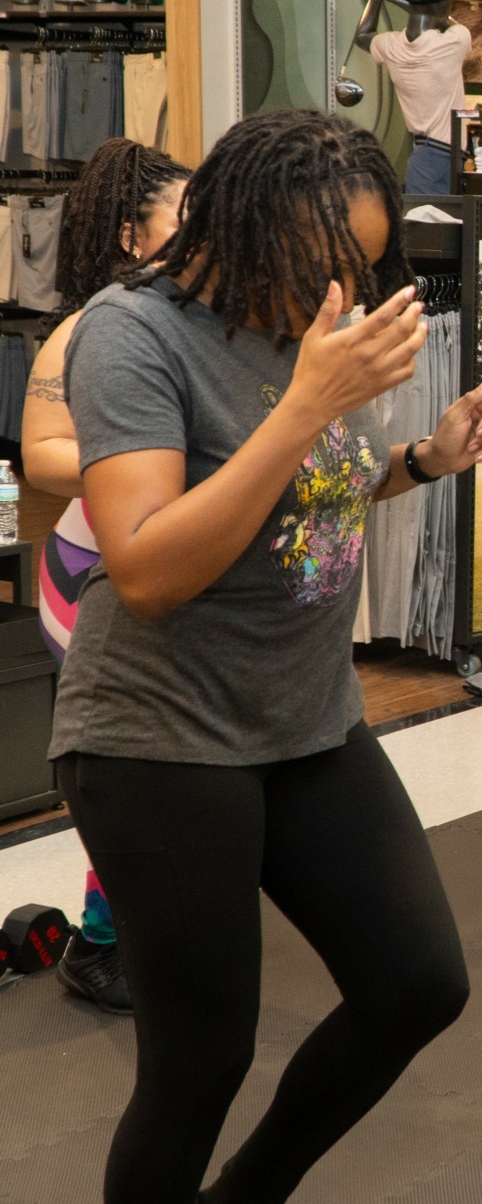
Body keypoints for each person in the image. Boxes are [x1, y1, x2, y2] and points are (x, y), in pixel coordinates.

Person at [53, 109, 482, 1201]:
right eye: (321, 260)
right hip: (160, 736)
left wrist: (421, 457)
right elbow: (148, 569)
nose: (339, 286)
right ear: (241, 226)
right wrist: (308, 404)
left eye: (359, 261)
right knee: (200, 1062)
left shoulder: (307, 326)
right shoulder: (133, 333)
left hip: (306, 719)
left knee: (417, 983)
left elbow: (314, 492)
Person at [20, 137, 190, 1017]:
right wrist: (140, 455)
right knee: (130, 771)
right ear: (132, 234)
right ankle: (99, 945)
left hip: (149, 568)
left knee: (165, 767)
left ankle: (140, 926)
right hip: (89, 573)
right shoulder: (90, 327)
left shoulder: (186, 320)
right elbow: (42, 452)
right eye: (185, 217)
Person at [359, 0, 471, 195]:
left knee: (434, 216)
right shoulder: (455, 41)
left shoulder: (392, 46)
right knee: (427, 217)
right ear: (444, 7)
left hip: (430, 154)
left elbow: (363, 34)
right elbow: (445, 21)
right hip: (441, 152)